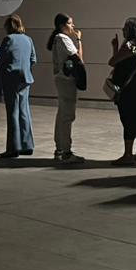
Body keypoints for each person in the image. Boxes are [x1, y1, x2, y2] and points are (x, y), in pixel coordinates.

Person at [108, 16, 136, 166]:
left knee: (127, 120)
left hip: (128, 89)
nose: (122, 30)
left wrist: (116, 48)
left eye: (125, 28)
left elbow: (113, 61)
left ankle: (128, 154)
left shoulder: (131, 45)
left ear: (131, 29)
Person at [0, 14, 37, 158]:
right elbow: (33, 59)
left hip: (10, 79)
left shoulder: (9, 39)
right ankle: (27, 145)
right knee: (24, 111)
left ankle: (13, 148)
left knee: (12, 112)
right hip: (25, 78)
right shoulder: (28, 39)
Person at [48, 13, 85, 163]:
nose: (73, 26)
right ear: (63, 26)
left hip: (60, 79)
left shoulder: (57, 39)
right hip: (67, 80)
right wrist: (79, 40)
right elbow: (79, 58)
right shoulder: (63, 39)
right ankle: (66, 152)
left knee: (62, 114)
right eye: (70, 23)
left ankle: (59, 149)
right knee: (67, 116)